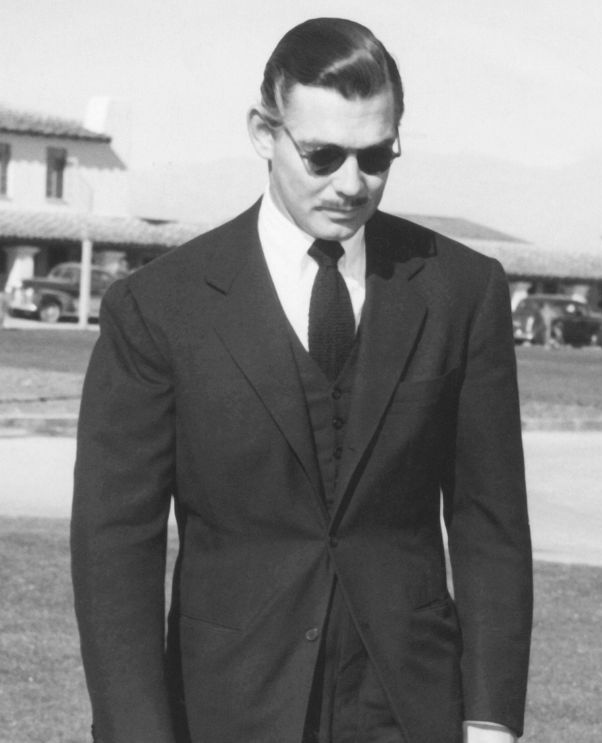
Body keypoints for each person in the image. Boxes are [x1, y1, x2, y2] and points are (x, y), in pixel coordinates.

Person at [71, 18, 531, 743]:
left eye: (375, 157)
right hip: (225, 707)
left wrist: (490, 719)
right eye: (322, 156)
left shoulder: (463, 291)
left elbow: (489, 520)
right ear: (264, 132)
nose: (350, 184)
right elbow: (114, 544)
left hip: (409, 707)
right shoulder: (158, 307)